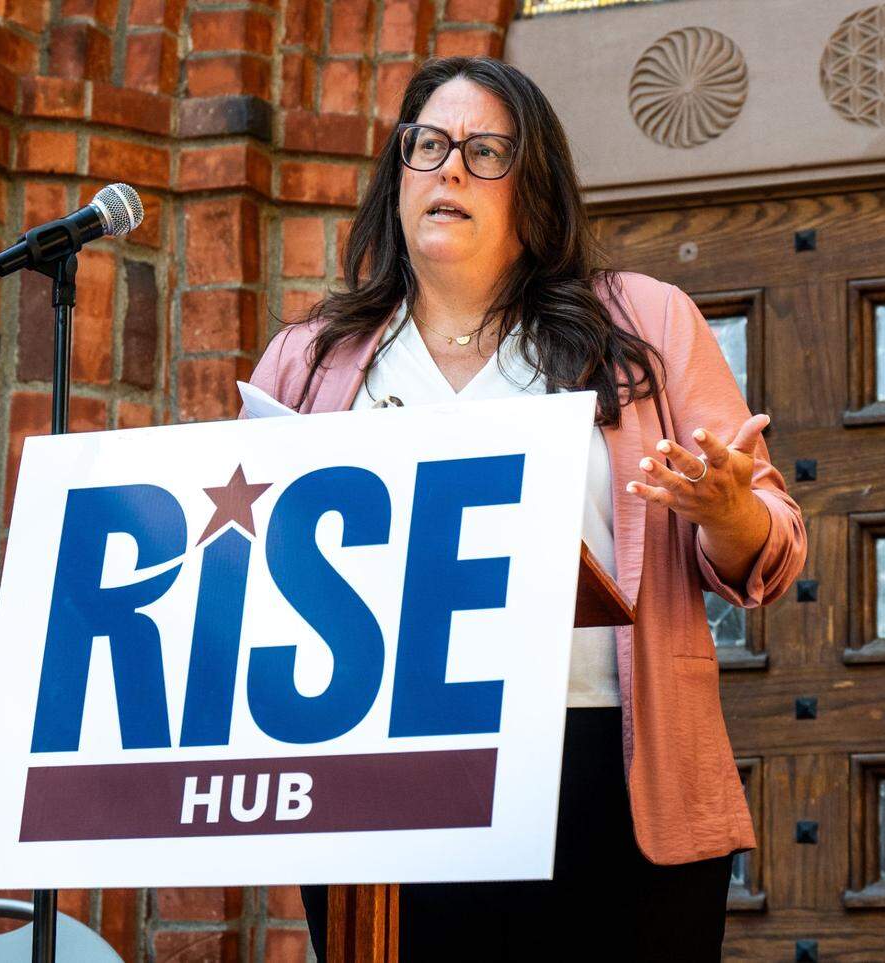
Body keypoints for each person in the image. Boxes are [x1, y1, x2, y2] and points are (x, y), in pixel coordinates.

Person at [238, 55, 807, 961]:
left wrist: (724, 508)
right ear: (397, 177)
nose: (449, 168)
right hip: (382, 769)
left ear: (534, 188)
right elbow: (245, 577)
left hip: (600, 771)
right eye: (427, 145)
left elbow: (770, 545)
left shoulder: (644, 325)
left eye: (485, 150)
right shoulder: (312, 361)